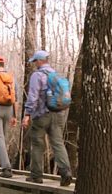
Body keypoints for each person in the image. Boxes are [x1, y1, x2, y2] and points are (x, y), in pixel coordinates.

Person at [21, 50, 73, 186]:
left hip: (41, 115)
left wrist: (27, 114)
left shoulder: (37, 75)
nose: (34, 64)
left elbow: (33, 97)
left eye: (35, 61)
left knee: (37, 144)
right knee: (58, 143)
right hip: (58, 113)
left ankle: (36, 176)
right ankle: (66, 172)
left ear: (39, 61)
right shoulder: (56, 75)